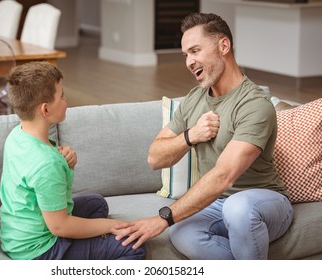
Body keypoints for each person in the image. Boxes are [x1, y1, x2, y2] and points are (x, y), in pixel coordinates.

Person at [115, 12, 293, 260]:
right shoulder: (194, 99)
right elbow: (155, 158)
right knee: (181, 231)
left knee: (237, 208)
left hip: (264, 202)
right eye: (186, 54)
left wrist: (163, 218)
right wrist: (191, 135)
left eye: (195, 50)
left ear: (223, 46)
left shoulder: (254, 104)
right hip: (218, 204)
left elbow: (223, 176)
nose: (189, 61)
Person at [0, 61, 146, 260]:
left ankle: (85, 246)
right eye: (62, 96)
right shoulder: (46, 163)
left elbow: (38, 174)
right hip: (39, 251)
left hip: (19, 233)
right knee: (133, 247)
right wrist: (111, 226)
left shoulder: (18, 135)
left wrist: (65, 162)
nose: (66, 101)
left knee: (97, 203)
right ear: (45, 110)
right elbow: (60, 226)